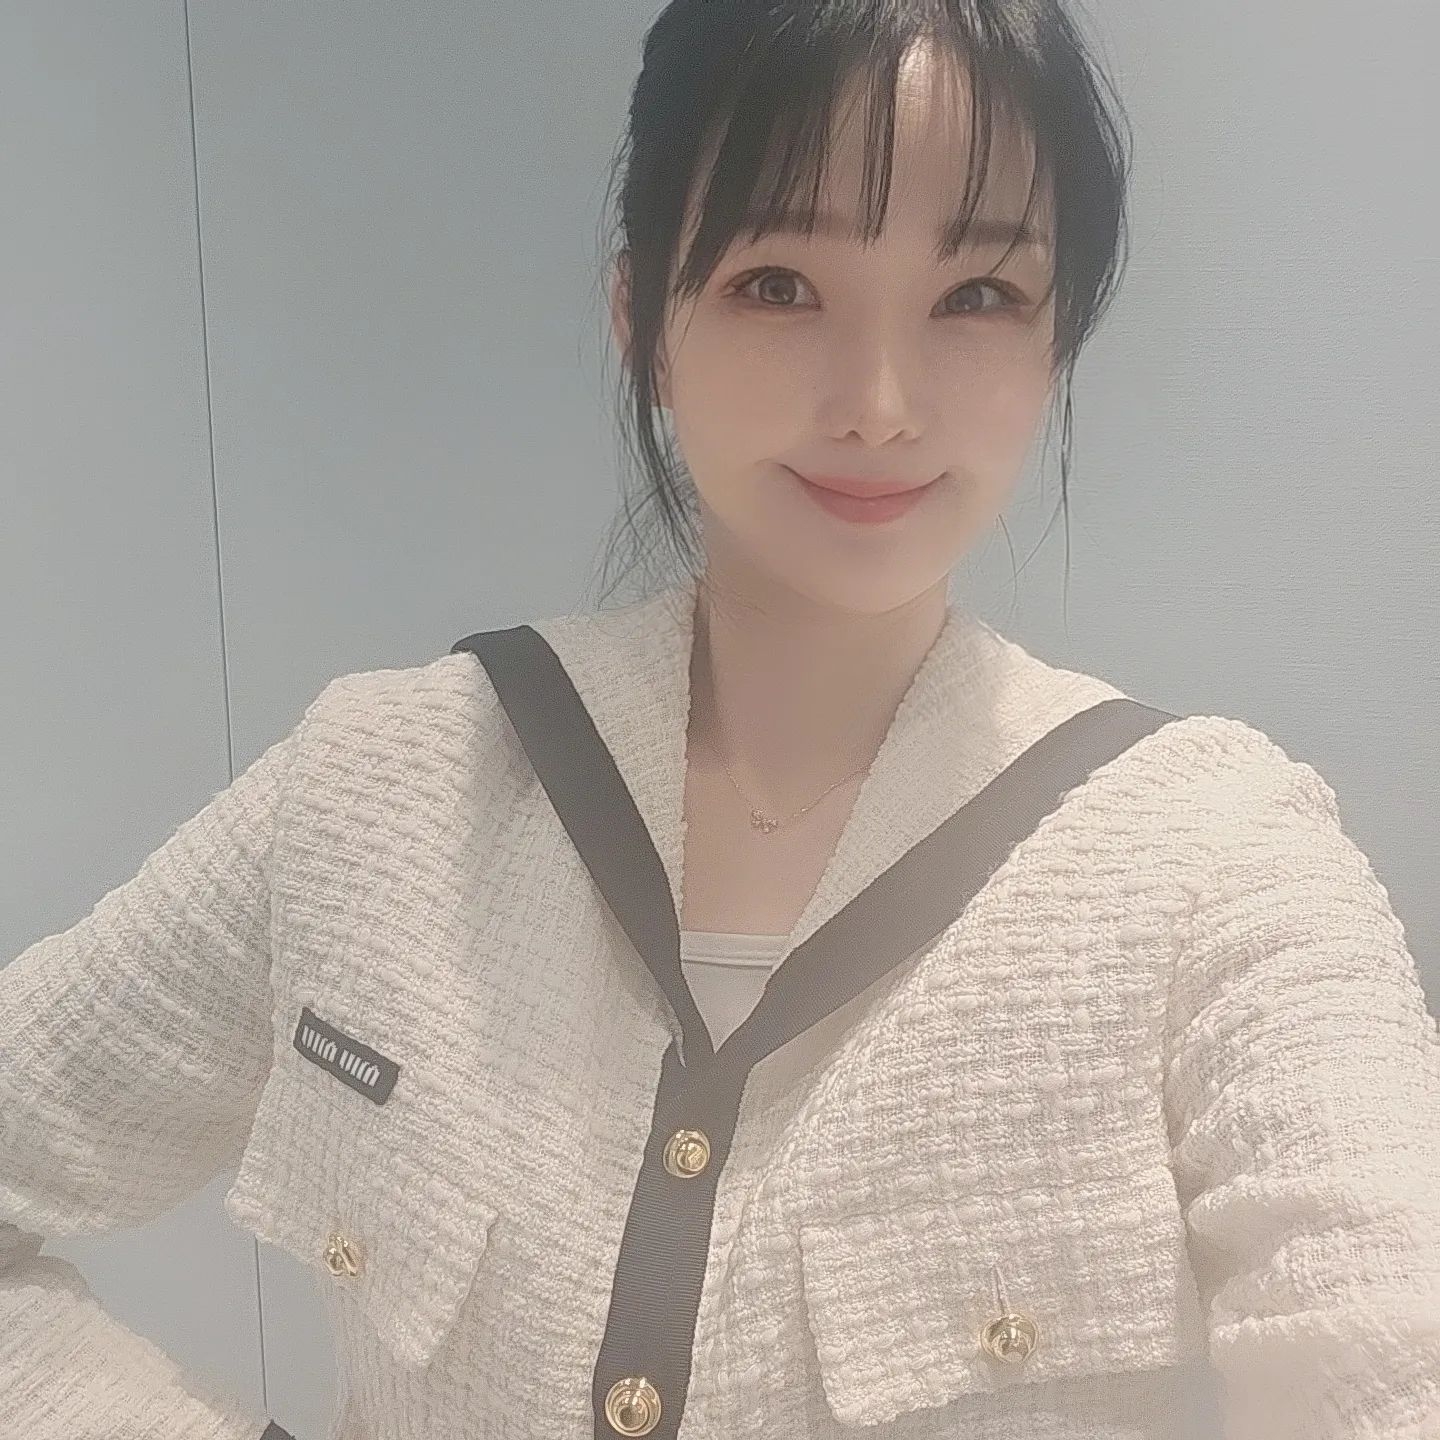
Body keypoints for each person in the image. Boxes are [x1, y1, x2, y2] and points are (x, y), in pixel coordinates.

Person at [4, 2, 1438, 1437]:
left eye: (979, 295)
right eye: (779, 284)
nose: (880, 405)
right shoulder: (384, 791)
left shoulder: (1210, 866)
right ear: (643, 318)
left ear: (1054, 337)